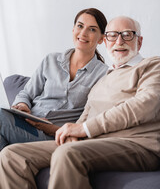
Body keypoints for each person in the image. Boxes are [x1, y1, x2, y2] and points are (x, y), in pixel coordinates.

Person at [1, 16, 160, 189]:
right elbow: (83, 119)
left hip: (136, 143)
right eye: (113, 35)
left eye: (127, 35)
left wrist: (83, 129)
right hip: (92, 143)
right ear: (106, 42)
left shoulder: (152, 65)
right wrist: (73, 132)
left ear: (140, 41)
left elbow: (145, 105)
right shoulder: (103, 80)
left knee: (67, 153)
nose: (119, 41)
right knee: (11, 155)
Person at [0, 8, 108, 150]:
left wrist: (48, 127)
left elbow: (91, 121)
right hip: (26, 124)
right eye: (80, 26)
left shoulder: (104, 75)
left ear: (101, 38)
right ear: (73, 29)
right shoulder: (51, 60)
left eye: (92, 29)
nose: (83, 33)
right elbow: (26, 94)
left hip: (55, 136)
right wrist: (23, 105)